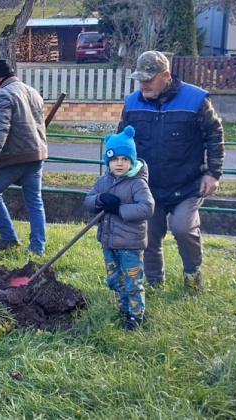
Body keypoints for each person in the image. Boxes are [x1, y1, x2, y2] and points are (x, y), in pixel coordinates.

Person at [118, 50, 225, 293]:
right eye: (140, 78)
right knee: (149, 237)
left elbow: (214, 136)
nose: (143, 84)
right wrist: (119, 176)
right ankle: (155, 283)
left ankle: (192, 276)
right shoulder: (132, 103)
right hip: (149, 185)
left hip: (188, 184)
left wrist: (213, 173)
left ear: (165, 76)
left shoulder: (196, 100)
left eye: (149, 78)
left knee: (183, 228)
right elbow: (123, 142)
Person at [84, 126, 154, 330]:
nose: (120, 163)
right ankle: (123, 308)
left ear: (131, 160)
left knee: (132, 281)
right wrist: (99, 199)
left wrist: (120, 209)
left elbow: (147, 208)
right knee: (113, 279)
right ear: (108, 161)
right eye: (115, 159)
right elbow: (87, 202)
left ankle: (135, 316)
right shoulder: (102, 181)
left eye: (124, 159)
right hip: (108, 241)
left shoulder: (137, 184)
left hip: (130, 244)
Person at [0, 59, 48, 255]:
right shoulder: (33, 92)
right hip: (37, 154)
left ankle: (8, 237)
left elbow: (0, 128)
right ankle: (38, 247)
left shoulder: (3, 95)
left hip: (15, 156)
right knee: (35, 201)